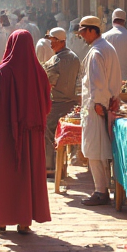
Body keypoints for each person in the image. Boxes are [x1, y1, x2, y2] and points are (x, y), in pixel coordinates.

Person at [0, 30, 52, 234]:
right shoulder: (40, 73)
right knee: (28, 174)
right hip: (32, 134)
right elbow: (46, 106)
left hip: (7, 134)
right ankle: (24, 221)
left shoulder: (1, 72)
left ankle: (1, 220)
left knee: (6, 175)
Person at [77, 15, 122, 206]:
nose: (81, 36)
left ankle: (100, 191)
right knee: (101, 148)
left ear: (91, 31)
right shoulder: (106, 48)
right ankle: (103, 188)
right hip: (106, 104)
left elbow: (98, 82)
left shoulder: (97, 51)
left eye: (83, 32)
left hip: (98, 107)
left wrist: (98, 103)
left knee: (94, 149)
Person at [42, 27, 81, 177]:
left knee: (47, 132)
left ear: (61, 41)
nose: (51, 44)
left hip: (57, 103)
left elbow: (49, 83)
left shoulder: (56, 60)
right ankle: (60, 167)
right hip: (72, 103)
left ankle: (50, 167)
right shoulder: (74, 57)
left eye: (53, 41)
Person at [103, 8, 127, 81]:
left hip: (108, 83)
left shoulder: (104, 37)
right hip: (126, 84)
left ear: (112, 20)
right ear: (125, 21)